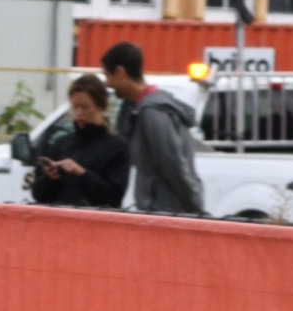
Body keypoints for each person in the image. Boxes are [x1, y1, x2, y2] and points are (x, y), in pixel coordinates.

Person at [99, 40, 206, 216]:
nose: (107, 84)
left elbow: (173, 165)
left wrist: (196, 208)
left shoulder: (152, 112)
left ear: (120, 72)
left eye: (107, 76)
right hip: (166, 211)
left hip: (165, 213)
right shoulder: (149, 108)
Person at [28, 73, 130, 209]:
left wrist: (82, 173)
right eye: (75, 107)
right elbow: (38, 195)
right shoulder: (61, 144)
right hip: (62, 218)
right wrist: (50, 178)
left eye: (85, 107)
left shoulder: (117, 147)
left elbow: (113, 196)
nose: (79, 113)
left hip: (95, 220)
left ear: (101, 106)